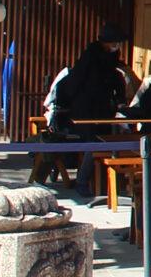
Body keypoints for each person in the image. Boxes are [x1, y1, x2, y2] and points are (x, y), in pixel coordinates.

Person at [35, 36, 128, 187]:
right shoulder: (90, 67)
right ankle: (85, 181)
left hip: (90, 114)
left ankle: (94, 183)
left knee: (99, 143)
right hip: (85, 115)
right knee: (95, 144)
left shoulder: (105, 69)